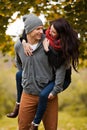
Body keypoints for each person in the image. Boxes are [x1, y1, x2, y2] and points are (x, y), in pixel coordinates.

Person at [21, 17, 80, 130]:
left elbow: (58, 66)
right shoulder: (47, 34)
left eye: (53, 32)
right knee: (19, 75)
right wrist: (24, 42)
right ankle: (18, 104)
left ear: (60, 34)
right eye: (50, 29)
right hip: (46, 82)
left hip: (62, 80)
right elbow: (28, 30)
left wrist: (47, 50)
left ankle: (35, 124)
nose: (48, 32)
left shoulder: (64, 48)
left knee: (44, 95)